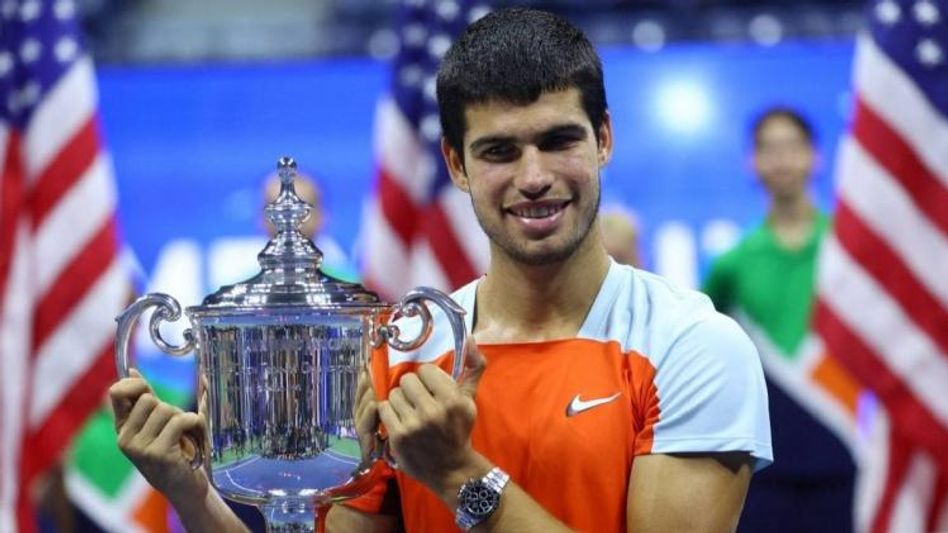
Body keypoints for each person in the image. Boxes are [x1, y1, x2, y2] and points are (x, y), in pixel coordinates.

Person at [109, 8, 772, 532]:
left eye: (559, 139)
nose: (534, 176)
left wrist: (458, 472)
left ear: (604, 137)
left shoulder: (691, 344)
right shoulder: (405, 350)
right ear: (456, 165)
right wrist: (193, 494)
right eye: (499, 151)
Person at [702, 107, 856, 532]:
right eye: (769, 149)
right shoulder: (731, 264)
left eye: (792, 147)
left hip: (843, 453)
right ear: (752, 162)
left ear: (815, 156)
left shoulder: (853, 251)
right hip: (765, 467)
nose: (782, 159)